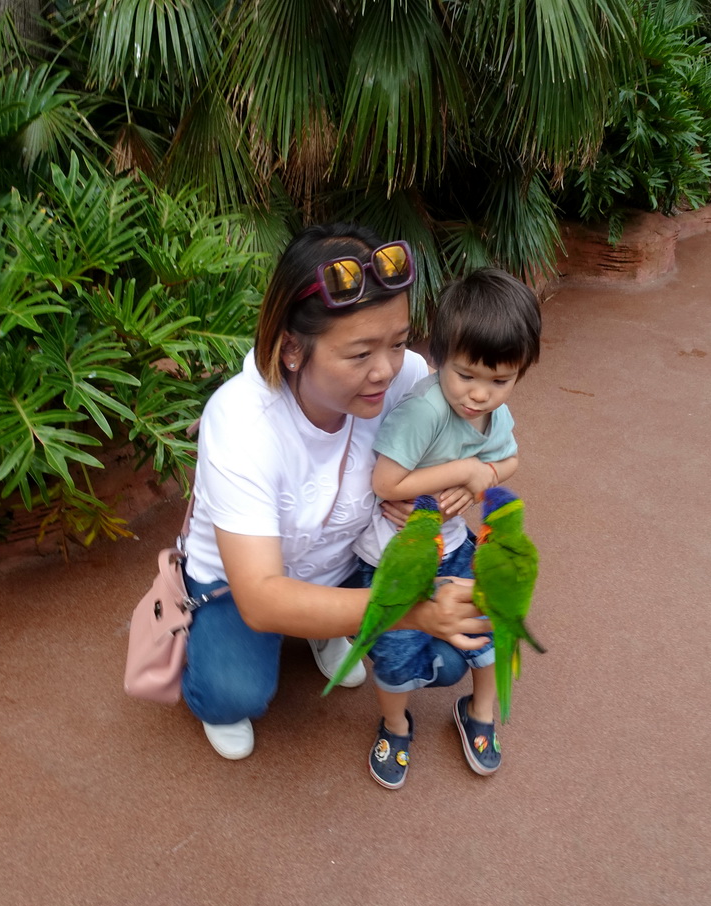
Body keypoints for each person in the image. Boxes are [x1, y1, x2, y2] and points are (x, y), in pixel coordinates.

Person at [181, 223, 492, 760]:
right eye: (359, 354)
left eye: (398, 342)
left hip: (347, 558)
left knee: (450, 653)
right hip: (242, 586)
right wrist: (410, 611)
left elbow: (479, 414)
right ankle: (223, 657)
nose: (387, 370)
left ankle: (329, 621)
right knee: (235, 694)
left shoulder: (406, 377)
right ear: (291, 351)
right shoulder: (240, 421)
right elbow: (261, 597)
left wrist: (466, 475)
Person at [352, 268, 541, 788]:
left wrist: (480, 481)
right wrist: (463, 473)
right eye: (467, 376)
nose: (479, 395)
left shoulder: (491, 415)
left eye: (500, 381)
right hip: (395, 552)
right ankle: (395, 723)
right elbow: (386, 481)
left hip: (454, 544)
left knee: (487, 627)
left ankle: (479, 712)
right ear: (437, 359)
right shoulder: (427, 410)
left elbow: (509, 461)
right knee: (394, 651)